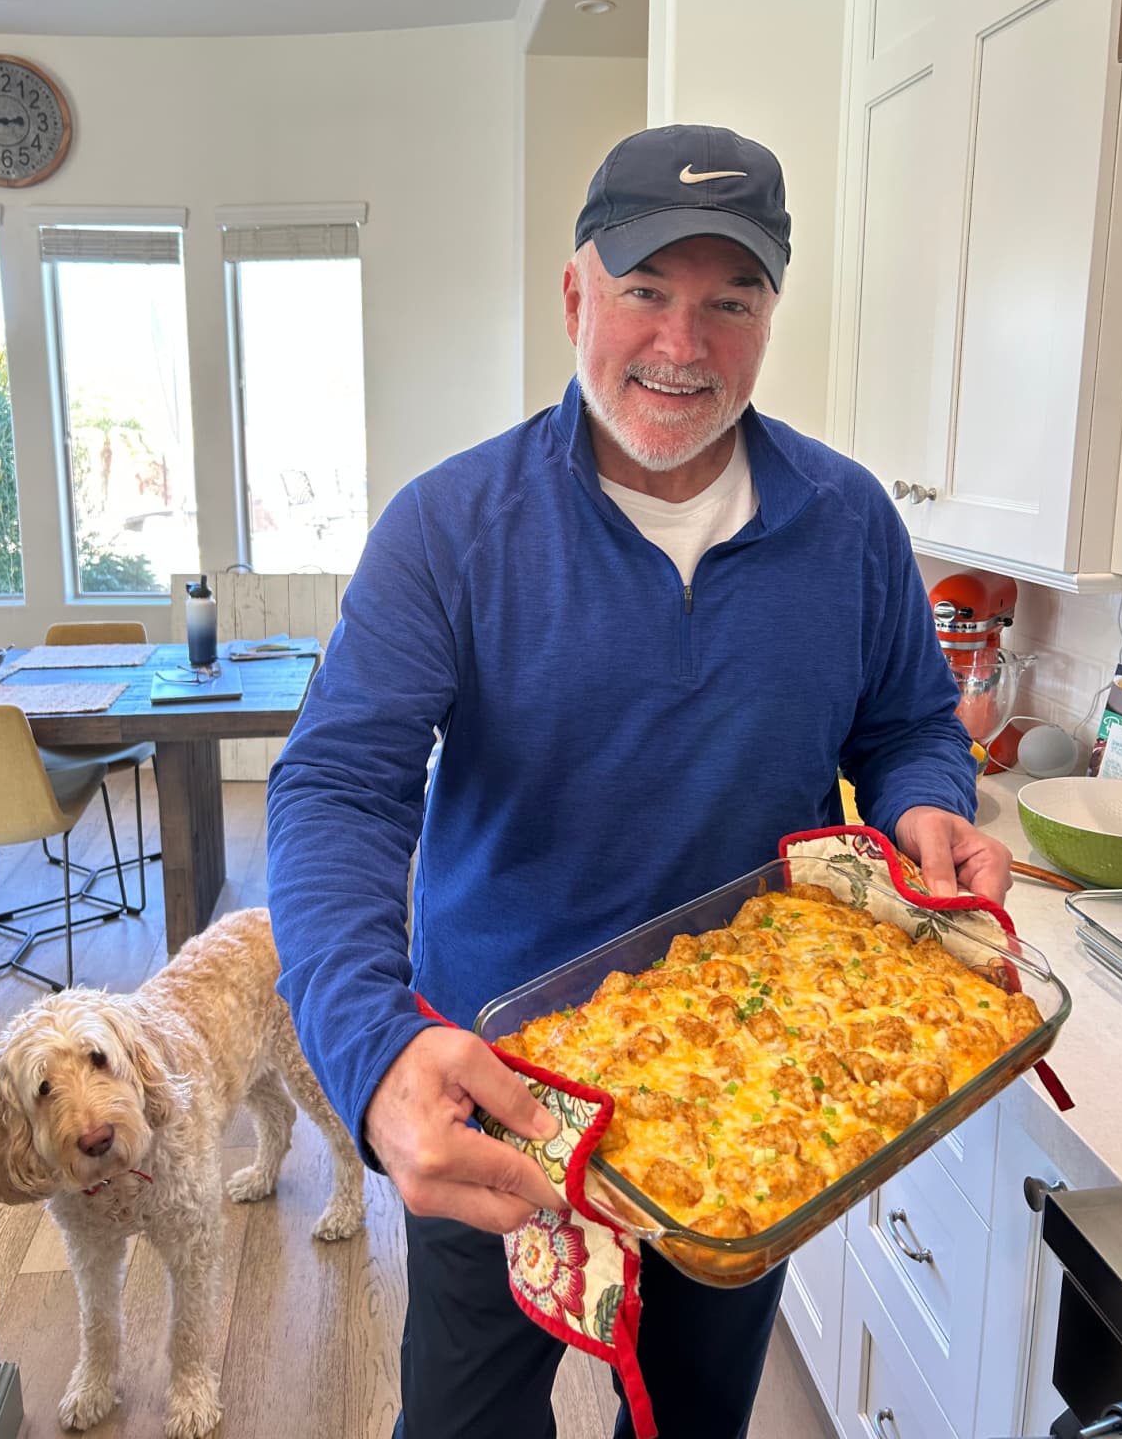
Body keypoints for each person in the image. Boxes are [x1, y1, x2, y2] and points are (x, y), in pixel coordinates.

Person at [267, 122, 1012, 1438]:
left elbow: (904, 725)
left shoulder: (849, 526)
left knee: (690, 1412)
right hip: (491, 1079)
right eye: (645, 292)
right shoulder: (448, 529)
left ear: (772, 317)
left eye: (731, 300)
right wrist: (374, 1051)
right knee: (465, 1419)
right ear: (575, 296)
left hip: (756, 1091)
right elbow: (338, 788)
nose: (683, 343)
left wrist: (923, 804)